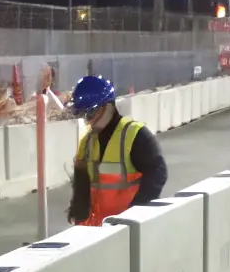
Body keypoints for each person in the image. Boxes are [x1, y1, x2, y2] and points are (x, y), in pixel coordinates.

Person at [66, 75, 168, 226]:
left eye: (90, 114)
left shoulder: (135, 135)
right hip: (99, 230)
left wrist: (136, 213)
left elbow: (157, 174)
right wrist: (78, 213)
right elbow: (81, 185)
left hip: (128, 228)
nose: (88, 121)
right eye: (83, 115)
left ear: (107, 107)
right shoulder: (86, 143)